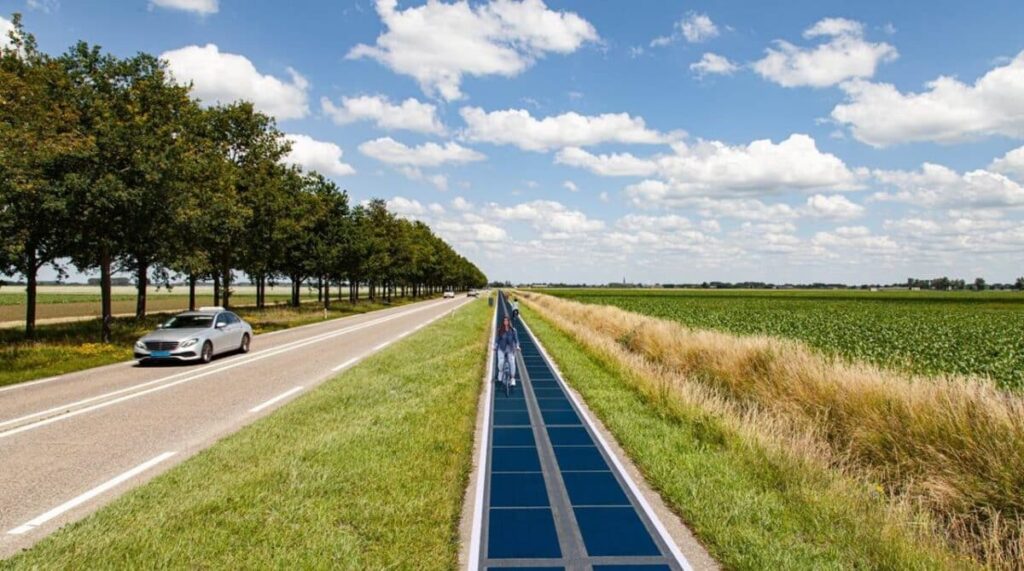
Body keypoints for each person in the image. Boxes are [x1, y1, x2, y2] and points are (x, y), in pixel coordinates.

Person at [494, 315, 519, 387]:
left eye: (507, 320)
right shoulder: (500, 330)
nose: (506, 322)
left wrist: (517, 346)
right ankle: (500, 372)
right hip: (501, 348)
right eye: (504, 321)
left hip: (510, 348)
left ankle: (512, 378)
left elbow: (516, 340)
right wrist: (495, 346)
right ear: (503, 322)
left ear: (509, 322)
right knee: (501, 362)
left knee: (512, 362)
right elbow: (497, 340)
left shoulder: (513, 330)